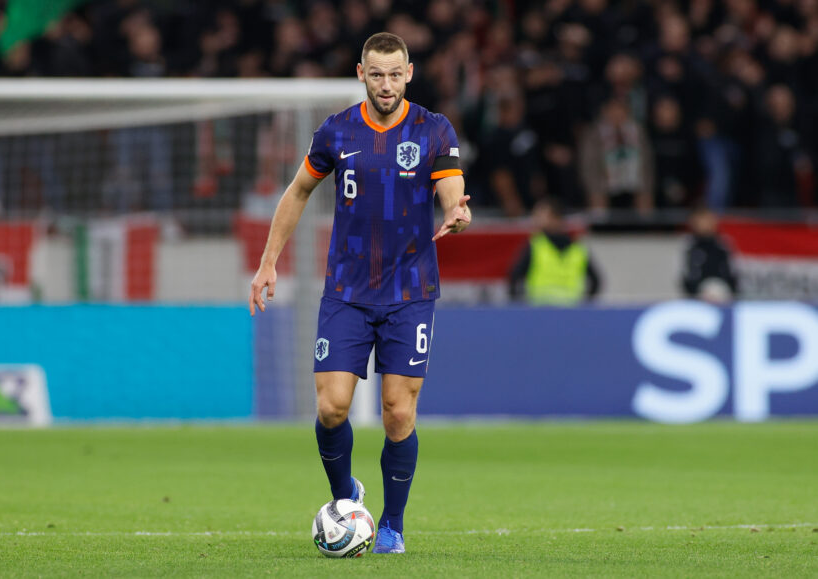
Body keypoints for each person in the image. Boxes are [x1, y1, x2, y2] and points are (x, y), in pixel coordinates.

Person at [248, 32, 470, 554]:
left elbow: (450, 189)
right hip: (346, 289)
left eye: (396, 74)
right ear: (360, 73)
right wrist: (268, 262)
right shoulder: (337, 131)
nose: (387, 84)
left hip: (411, 290)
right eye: (377, 74)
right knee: (331, 408)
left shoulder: (433, 129)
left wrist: (456, 212)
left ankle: (391, 524)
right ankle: (346, 499)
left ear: (409, 73)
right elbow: (299, 190)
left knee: (397, 412)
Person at [508, 198, 601, 305]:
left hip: (547, 312)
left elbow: (595, 280)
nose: (535, 220)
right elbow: (514, 277)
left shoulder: (536, 245)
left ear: (556, 218)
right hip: (558, 312)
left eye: (540, 216)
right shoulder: (577, 248)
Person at [681, 206, 738, 302]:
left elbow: (733, 273)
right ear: (693, 222)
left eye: (708, 219)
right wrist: (696, 293)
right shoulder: (688, 246)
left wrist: (727, 290)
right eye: (702, 219)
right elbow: (683, 276)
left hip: (724, 296)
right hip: (696, 298)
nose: (705, 223)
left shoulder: (724, 244)